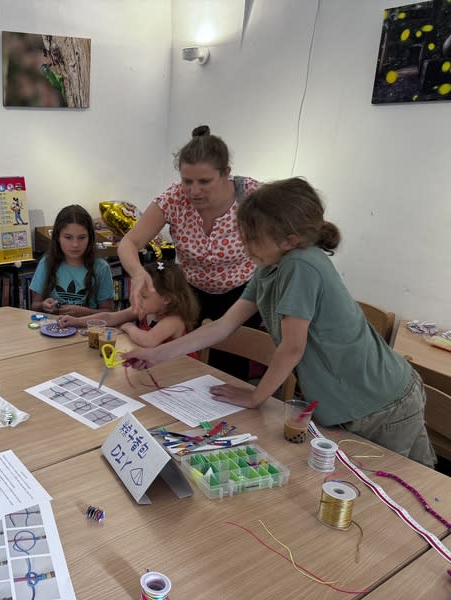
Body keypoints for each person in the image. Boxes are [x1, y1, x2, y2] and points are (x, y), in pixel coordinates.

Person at [123, 178, 436, 468]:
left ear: (290, 239)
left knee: (414, 496)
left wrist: (256, 397)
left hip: (382, 405)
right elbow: (222, 326)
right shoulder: (269, 267)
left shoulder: (302, 265)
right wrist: (157, 354)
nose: (244, 245)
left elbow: (292, 347)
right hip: (353, 406)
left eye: (252, 237)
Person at [117, 125, 261, 377]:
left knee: (226, 371)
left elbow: (298, 219)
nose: (194, 191)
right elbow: (128, 243)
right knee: (181, 367)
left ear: (226, 173)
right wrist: (138, 273)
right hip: (190, 293)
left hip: (240, 294)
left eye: (205, 182)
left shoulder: (251, 194)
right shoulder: (173, 199)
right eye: (187, 181)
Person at [59, 261, 199, 353]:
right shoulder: (147, 309)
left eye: (143, 296)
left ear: (167, 299)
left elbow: (148, 340)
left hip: (179, 375)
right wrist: (76, 321)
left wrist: (128, 327)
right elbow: (110, 317)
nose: (137, 300)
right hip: (155, 369)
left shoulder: (174, 320)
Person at [30, 204, 114, 316]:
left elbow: (108, 312)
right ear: (57, 237)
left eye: (82, 237)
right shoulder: (47, 263)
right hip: (54, 328)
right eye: (68, 237)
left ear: (90, 238)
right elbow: (34, 305)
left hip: (87, 329)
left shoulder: (101, 267)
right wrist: (44, 305)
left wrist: (84, 313)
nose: (75, 244)